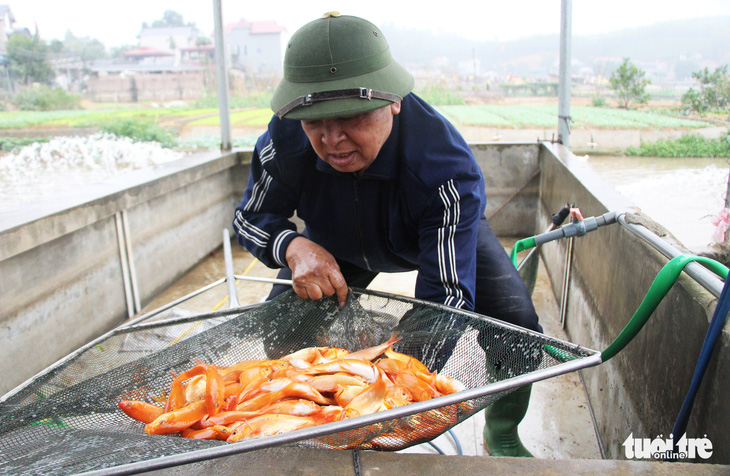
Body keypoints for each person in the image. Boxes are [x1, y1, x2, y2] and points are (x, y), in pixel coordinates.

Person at [233, 12, 541, 457]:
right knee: (283, 329)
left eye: (350, 118)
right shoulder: (284, 140)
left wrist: (385, 395)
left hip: (433, 235)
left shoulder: (444, 168)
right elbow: (250, 217)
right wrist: (293, 246)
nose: (332, 138)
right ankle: (305, 423)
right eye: (314, 120)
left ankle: (504, 431)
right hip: (334, 245)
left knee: (517, 322)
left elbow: (444, 302)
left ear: (393, 101)